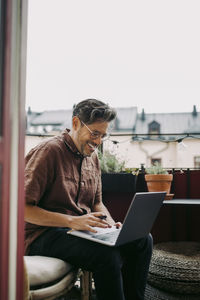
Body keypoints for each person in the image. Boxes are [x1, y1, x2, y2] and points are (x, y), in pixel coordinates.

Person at [24, 99, 153, 300]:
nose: (98, 142)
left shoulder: (93, 157)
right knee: (107, 256)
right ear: (76, 123)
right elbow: (22, 208)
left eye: (103, 135)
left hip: (78, 231)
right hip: (42, 235)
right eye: (94, 133)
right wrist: (71, 221)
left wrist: (112, 227)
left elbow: (97, 203)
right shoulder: (48, 151)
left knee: (143, 240)